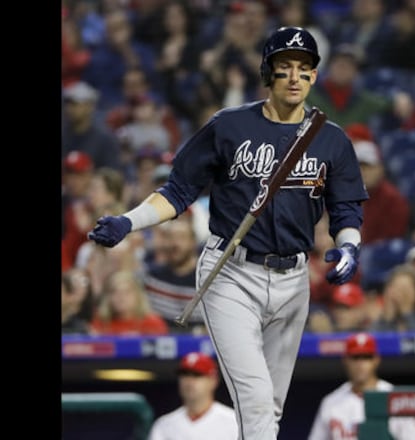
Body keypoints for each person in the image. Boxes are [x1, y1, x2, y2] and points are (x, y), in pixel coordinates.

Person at [87, 26, 368, 439]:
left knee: (268, 407)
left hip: (294, 280)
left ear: (313, 76)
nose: (294, 76)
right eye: (284, 67)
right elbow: (179, 189)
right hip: (231, 273)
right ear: (267, 73)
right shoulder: (230, 126)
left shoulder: (332, 140)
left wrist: (348, 247)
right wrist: (130, 221)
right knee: (254, 401)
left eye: (303, 68)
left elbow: (346, 208)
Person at [307, 332, 415, 440]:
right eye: (355, 357)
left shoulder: (397, 399)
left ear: (376, 360)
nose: (360, 363)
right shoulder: (331, 403)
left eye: (366, 357)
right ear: (345, 360)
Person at [148, 351, 238, 440]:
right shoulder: (164, 425)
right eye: (185, 374)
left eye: (197, 375)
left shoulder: (234, 422)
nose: (189, 381)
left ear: (213, 381)